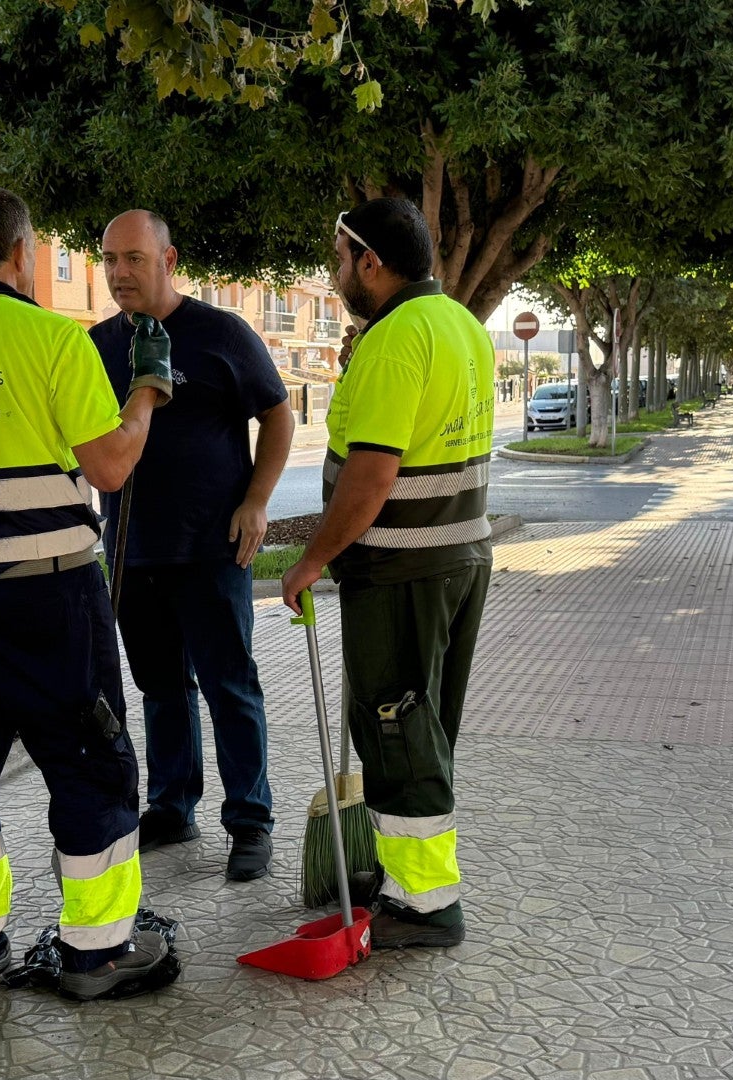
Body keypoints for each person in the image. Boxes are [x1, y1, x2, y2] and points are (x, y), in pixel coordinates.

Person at [0, 187, 178, 1005]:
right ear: (20, 253)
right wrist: (148, 391)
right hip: (53, 602)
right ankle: (98, 953)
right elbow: (112, 466)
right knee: (92, 767)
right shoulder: (55, 340)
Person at [280, 197, 494, 949]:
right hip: (456, 557)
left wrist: (313, 559)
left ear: (371, 260)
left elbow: (370, 475)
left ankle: (427, 905)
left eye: (340, 258)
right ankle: (406, 875)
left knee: (397, 729)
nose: (336, 272)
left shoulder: (398, 339)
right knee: (422, 725)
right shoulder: (459, 325)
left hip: (404, 566)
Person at [90, 209, 295, 881]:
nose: (119, 272)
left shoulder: (220, 334)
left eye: (133, 259)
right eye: (110, 259)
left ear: (168, 259)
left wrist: (257, 501)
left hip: (212, 547)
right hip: (130, 548)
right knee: (160, 688)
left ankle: (251, 820)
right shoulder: (94, 348)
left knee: (229, 685)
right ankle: (173, 806)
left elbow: (277, 413)